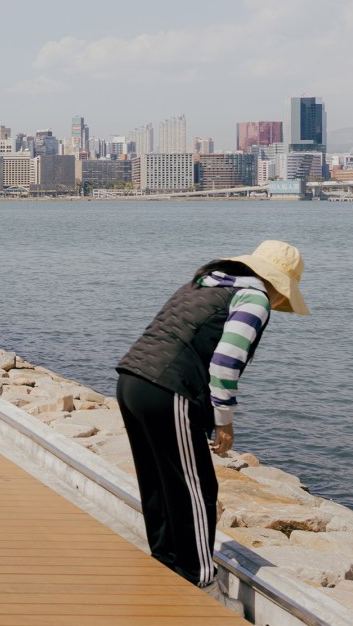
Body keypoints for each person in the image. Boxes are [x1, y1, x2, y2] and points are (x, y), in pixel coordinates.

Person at [116, 241, 307, 599]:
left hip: (131, 380)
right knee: (196, 488)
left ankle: (166, 566)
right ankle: (202, 583)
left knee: (158, 483)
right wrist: (224, 420)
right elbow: (225, 361)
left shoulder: (203, 284)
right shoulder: (255, 299)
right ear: (278, 285)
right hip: (168, 389)